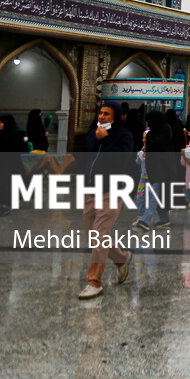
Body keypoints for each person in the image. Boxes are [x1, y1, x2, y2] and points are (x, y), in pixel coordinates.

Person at [78, 103, 133, 299]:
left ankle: (94, 282)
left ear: (115, 117)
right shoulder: (94, 133)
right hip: (91, 190)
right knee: (92, 236)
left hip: (111, 191)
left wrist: (106, 139)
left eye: (106, 114)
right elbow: (88, 156)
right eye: (100, 113)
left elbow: (121, 161)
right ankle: (121, 258)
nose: (101, 117)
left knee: (100, 236)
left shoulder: (124, 136)